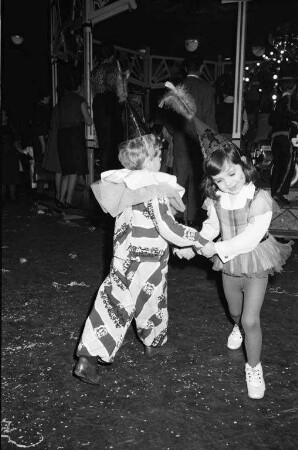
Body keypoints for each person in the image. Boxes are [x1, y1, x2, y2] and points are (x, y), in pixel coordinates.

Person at [73, 133, 205, 385]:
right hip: (149, 258)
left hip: (122, 255)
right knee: (152, 299)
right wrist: (197, 239)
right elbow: (167, 227)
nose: (161, 161)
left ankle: (87, 358)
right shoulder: (152, 187)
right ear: (147, 161)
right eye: (157, 157)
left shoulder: (126, 184)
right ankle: (153, 343)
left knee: (112, 302)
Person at [177, 141, 293, 400]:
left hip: (256, 258)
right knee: (235, 312)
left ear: (243, 165)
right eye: (219, 180)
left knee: (252, 319)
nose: (228, 183)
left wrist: (215, 249)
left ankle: (254, 367)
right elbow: (211, 228)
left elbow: (250, 239)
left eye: (232, 173)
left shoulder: (259, 197)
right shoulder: (216, 199)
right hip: (229, 263)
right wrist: (194, 245)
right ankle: (236, 327)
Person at [169, 52, 217, 226]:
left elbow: (170, 118)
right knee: (197, 180)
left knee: (179, 178)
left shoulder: (178, 88)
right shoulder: (206, 88)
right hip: (199, 139)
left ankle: (174, 218)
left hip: (181, 139)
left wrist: (174, 132)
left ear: (185, 67)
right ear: (202, 67)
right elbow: (210, 119)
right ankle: (194, 219)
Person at [57, 75, 93, 207]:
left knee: (67, 170)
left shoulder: (62, 101)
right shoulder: (80, 100)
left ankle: (60, 199)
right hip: (74, 135)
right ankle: (68, 201)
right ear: (78, 88)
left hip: (62, 136)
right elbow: (89, 121)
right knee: (74, 171)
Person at [91, 41, 126, 173]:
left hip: (98, 104)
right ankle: (111, 173)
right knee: (113, 143)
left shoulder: (96, 69)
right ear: (112, 56)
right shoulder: (112, 67)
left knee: (104, 143)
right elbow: (114, 87)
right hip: (108, 105)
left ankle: (104, 171)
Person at [269, 77, 298, 207]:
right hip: (285, 136)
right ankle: (278, 192)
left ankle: (275, 192)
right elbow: (289, 113)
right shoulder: (289, 99)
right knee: (287, 165)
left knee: (279, 165)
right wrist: (293, 120)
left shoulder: (278, 102)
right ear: (293, 88)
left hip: (275, 136)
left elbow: (271, 119)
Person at [31, 90, 52, 197]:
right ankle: (39, 191)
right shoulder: (41, 109)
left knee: (41, 165)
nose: (49, 99)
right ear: (44, 97)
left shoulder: (37, 108)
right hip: (41, 142)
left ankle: (40, 191)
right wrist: (44, 145)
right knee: (41, 166)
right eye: (48, 97)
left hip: (38, 142)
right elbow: (40, 130)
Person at [42, 104, 62, 205]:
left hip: (54, 138)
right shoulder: (61, 108)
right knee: (59, 170)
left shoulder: (56, 108)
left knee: (58, 171)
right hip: (59, 139)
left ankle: (58, 195)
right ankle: (59, 195)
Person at [1, 108, 22, 201]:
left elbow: (16, 141)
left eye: (3, 115)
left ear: (7, 116)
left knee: (12, 178)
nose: (1, 117)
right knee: (2, 179)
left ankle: (13, 198)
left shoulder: (11, 127)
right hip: (2, 156)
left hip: (11, 156)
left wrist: (21, 150)